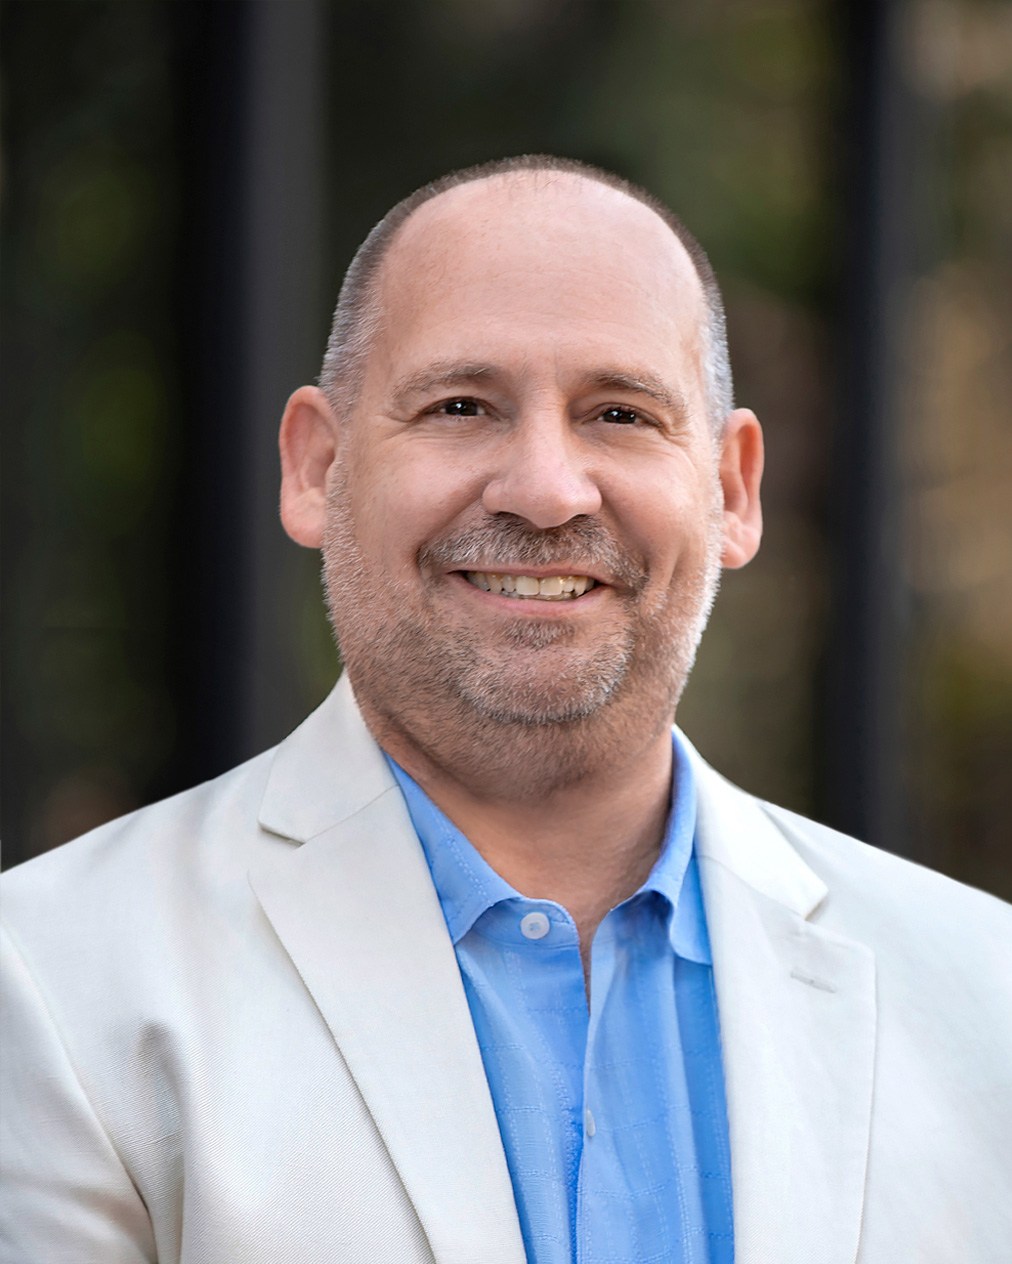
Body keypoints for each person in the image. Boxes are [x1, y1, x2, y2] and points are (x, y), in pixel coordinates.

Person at [2, 156, 1009, 1264]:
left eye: (619, 413)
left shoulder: (982, 998)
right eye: (461, 407)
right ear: (316, 468)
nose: (544, 490)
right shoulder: (50, 983)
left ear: (730, 489)